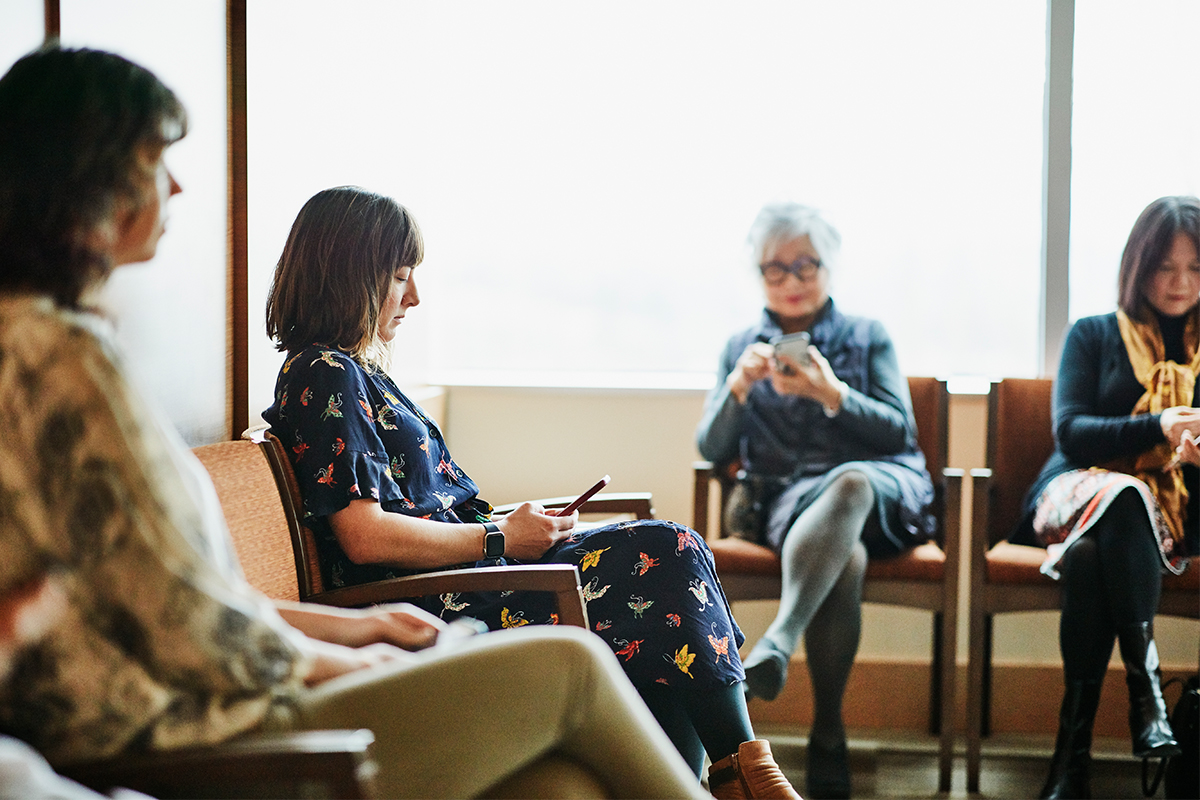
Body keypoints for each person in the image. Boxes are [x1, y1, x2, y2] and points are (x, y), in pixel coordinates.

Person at [0, 44, 725, 800]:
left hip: (215, 703)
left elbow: (178, 593)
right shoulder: (57, 360)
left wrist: (360, 631)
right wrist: (354, 657)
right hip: (189, 733)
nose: (177, 184)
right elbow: (187, 623)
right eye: (155, 158)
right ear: (88, 177)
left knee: (561, 786)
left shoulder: (61, 349)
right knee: (571, 666)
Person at [262, 186, 802, 800]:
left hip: (468, 574)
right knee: (668, 555)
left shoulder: (355, 372)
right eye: (400, 276)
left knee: (666, 574)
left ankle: (724, 777)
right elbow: (363, 537)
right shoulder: (322, 375)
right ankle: (741, 773)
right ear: (350, 277)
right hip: (435, 601)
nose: (414, 296)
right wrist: (498, 536)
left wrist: (517, 528)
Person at [696, 202, 936, 799]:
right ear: (758, 274)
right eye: (775, 270)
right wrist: (738, 388)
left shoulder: (866, 335)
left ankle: (777, 640)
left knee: (850, 483)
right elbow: (710, 446)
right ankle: (829, 731)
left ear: (829, 266)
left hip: (880, 491)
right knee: (844, 559)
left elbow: (899, 432)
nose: (793, 281)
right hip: (791, 506)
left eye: (806, 265)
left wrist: (834, 393)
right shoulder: (740, 345)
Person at [1011, 196, 1198, 800]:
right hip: (1073, 493)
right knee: (1124, 493)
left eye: (1196, 268)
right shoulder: (1094, 334)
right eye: (1166, 267)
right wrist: (1159, 425)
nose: (1180, 282)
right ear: (1137, 267)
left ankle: (1072, 761)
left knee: (1093, 560)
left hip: (1163, 520)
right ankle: (1146, 695)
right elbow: (1070, 431)